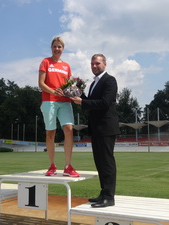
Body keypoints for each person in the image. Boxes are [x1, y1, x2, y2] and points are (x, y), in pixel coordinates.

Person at [71, 54, 120, 207]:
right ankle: (103, 193)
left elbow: (105, 103)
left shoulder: (109, 80)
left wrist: (83, 102)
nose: (94, 66)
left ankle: (109, 197)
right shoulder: (93, 84)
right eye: (92, 64)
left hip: (106, 127)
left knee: (106, 162)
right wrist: (77, 92)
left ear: (105, 64)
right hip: (97, 128)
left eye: (97, 63)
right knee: (99, 162)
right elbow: (90, 101)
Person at [38, 36, 80, 177]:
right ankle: (52, 166)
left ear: (63, 49)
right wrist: (53, 91)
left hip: (65, 102)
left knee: (69, 129)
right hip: (49, 100)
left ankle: (68, 166)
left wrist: (75, 90)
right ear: (51, 48)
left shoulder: (66, 66)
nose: (57, 49)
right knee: (51, 133)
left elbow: (69, 84)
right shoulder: (46, 62)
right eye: (55, 46)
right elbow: (41, 83)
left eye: (59, 47)